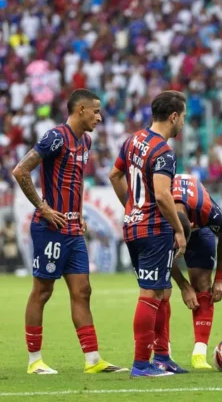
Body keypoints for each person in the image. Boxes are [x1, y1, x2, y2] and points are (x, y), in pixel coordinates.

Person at [12, 88, 125, 375]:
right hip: (49, 228)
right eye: (96, 112)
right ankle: (34, 361)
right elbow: (20, 170)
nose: (99, 118)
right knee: (43, 291)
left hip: (73, 229)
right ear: (80, 110)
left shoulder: (85, 141)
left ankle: (93, 360)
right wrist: (44, 207)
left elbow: (75, 179)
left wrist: (79, 213)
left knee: (83, 290)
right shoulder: (55, 137)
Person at [109, 91, 188, 377]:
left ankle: (162, 357)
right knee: (151, 292)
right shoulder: (163, 151)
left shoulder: (133, 140)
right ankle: (142, 364)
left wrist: (132, 207)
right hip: (154, 229)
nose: (183, 123)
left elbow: (114, 175)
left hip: (133, 226)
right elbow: (164, 196)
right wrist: (179, 230)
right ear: (174, 117)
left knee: (163, 290)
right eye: (183, 117)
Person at [167, 173, 222, 369]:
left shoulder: (206, 210)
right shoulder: (157, 208)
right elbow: (161, 256)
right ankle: (163, 354)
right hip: (167, 219)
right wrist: (183, 285)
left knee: (203, 283)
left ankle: (199, 354)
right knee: (159, 287)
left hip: (197, 223)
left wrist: (220, 278)